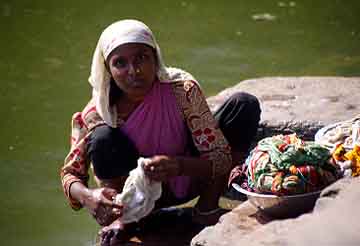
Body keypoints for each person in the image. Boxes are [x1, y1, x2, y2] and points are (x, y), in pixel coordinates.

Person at [60, 19, 261, 243]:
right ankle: (125, 220)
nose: (133, 71)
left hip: (190, 178)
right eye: (120, 63)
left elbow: (221, 158)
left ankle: (206, 208)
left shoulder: (181, 91)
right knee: (102, 137)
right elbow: (71, 174)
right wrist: (89, 197)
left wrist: (178, 165)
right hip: (135, 197)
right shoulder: (98, 111)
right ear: (108, 70)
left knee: (243, 105)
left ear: (155, 58)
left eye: (141, 58)